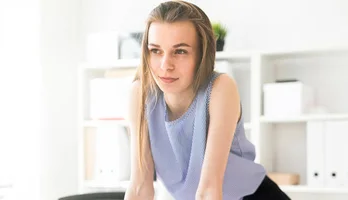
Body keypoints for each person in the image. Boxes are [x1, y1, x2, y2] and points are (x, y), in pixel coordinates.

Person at [124, 1, 291, 200]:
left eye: (180, 51)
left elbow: (209, 189)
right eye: (155, 50)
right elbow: (140, 186)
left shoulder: (220, 89)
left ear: (202, 54)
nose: (165, 65)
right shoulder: (140, 95)